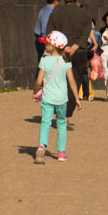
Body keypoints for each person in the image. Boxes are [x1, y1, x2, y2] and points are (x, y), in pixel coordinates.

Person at [33, 30, 72, 162]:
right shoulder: (66, 61)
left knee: (45, 122)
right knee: (61, 123)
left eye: (47, 43)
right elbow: (71, 81)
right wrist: (77, 99)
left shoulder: (44, 60)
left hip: (47, 98)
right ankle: (61, 152)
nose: (45, 45)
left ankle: (42, 147)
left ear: (54, 45)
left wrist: (35, 91)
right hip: (62, 98)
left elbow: (38, 81)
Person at [34, 0, 60, 65]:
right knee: (44, 64)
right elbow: (45, 28)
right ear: (55, 1)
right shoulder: (48, 13)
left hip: (42, 39)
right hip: (44, 40)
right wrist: (47, 43)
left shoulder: (44, 10)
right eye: (59, 0)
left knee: (43, 63)